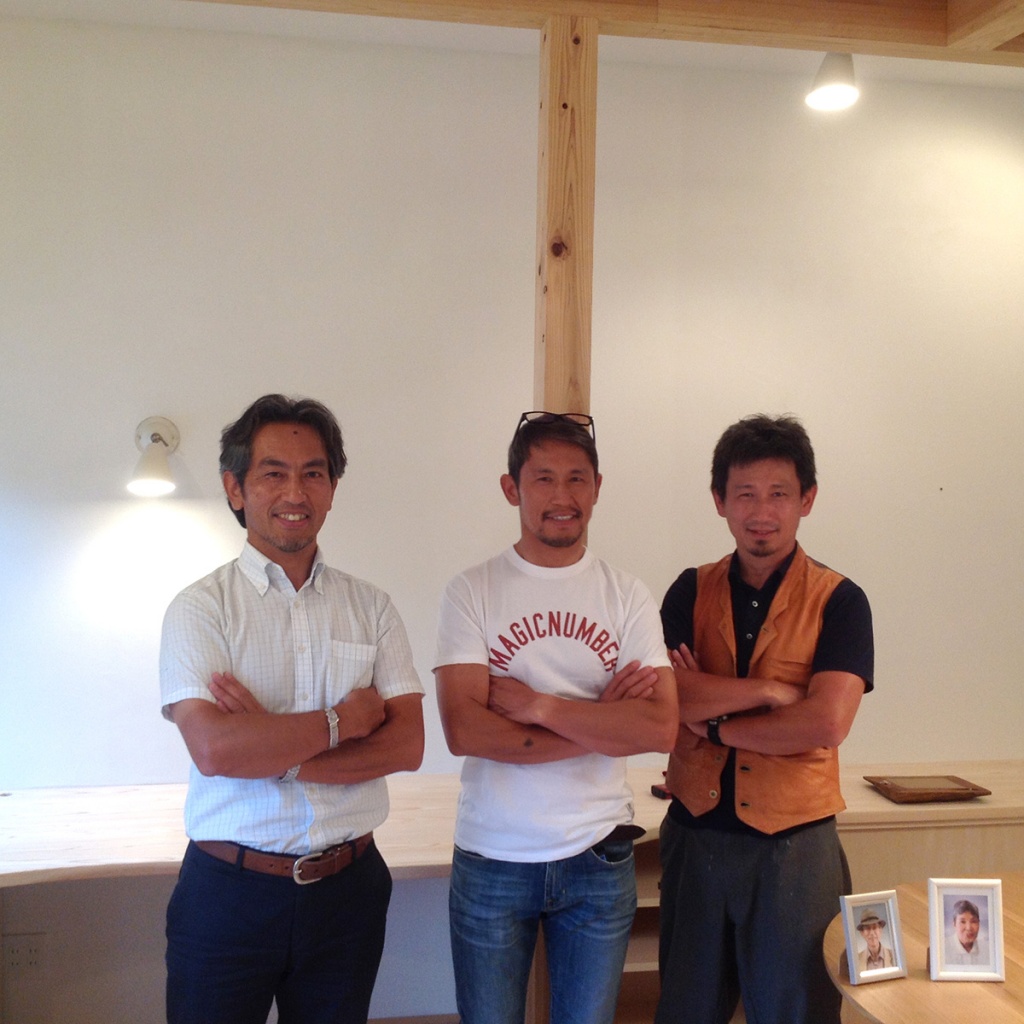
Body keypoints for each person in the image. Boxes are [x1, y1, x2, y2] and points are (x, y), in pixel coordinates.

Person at [160, 394, 425, 1024]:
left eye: (313, 473)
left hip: (349, 891)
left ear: (332, 489)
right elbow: (215, 750)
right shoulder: (200, 608)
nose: (295, 492)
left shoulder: (373, 608)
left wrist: (269, 746)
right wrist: (342, 723)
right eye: (272, 473)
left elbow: (406, 746)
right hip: (228, 893)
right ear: (235, 488)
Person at [434, 411, 678, 1024]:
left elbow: (658, 728)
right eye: (543, 478)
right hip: (492, 856)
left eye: (577, 479)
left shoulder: (627, 595)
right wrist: (604, 721)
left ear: (597, 488)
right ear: (511, 488)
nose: (562, 496)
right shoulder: (471, 591)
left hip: (598, 856)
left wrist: (542, 707)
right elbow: (465, 732)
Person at [656, 414, 874, 1024]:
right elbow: (666, 700)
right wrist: (771, 692)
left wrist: (716, 724)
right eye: (745, 494)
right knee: (685, 1012)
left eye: (779, 493)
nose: (761, 512)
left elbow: (826, 722)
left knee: (797, 1012)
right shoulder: (688, 590)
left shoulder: (841, 600)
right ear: (719, 500)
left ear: (807, 499)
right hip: (694, 834)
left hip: (796, 847)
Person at [946, 898, 990, 966]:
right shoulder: (942, 948)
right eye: (963, 922)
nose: (969, 928)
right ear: (954, 924)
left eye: (973, 921)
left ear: (979, 923)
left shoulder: (988, 949)